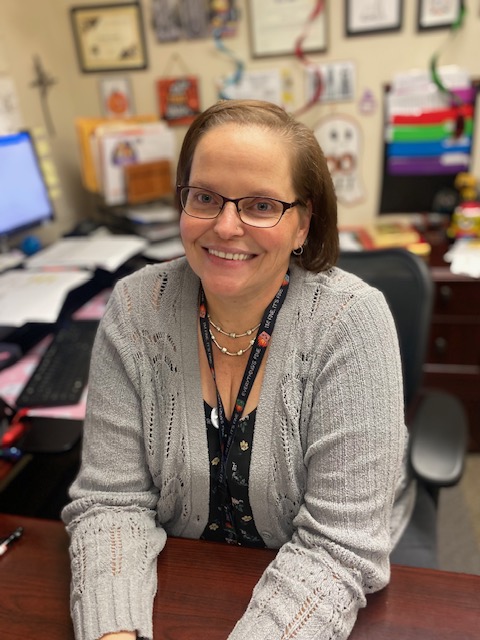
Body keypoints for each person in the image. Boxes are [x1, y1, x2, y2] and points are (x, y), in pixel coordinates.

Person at [62, 99, 415, 640]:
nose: (226, 226)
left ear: (303, 223)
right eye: (205, 198)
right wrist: (114, 633)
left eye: (259, 205)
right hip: (184, 582)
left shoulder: (351, 322)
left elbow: (337, 548)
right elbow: (112, 502)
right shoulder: (135, 309)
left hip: (315, 598)